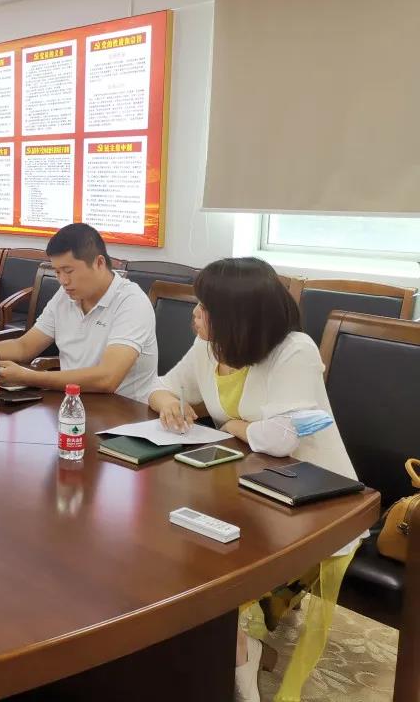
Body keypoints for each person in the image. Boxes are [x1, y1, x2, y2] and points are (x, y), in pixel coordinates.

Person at [147, 257, 358, 702]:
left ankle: (235, 652)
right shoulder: (210, 345)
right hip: (246, 488)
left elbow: (282, 438)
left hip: (312, 501)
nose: (194, 314)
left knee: (202, 566)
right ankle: (231, 651)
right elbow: (163, 384)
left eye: (205, 307)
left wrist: (230, 425)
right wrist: (169, 403)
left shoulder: (294, 350)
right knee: (170, 546)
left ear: (237, 315)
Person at [0, 223, 158, 401]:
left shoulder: (131, 302)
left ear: (99, 263)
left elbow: (107, 378)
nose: (63, 281)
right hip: (74, 402)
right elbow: (25, 347)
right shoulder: (65, 296)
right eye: (57, 272)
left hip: (125, 415)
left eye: (69, 271)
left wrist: (29, 377)